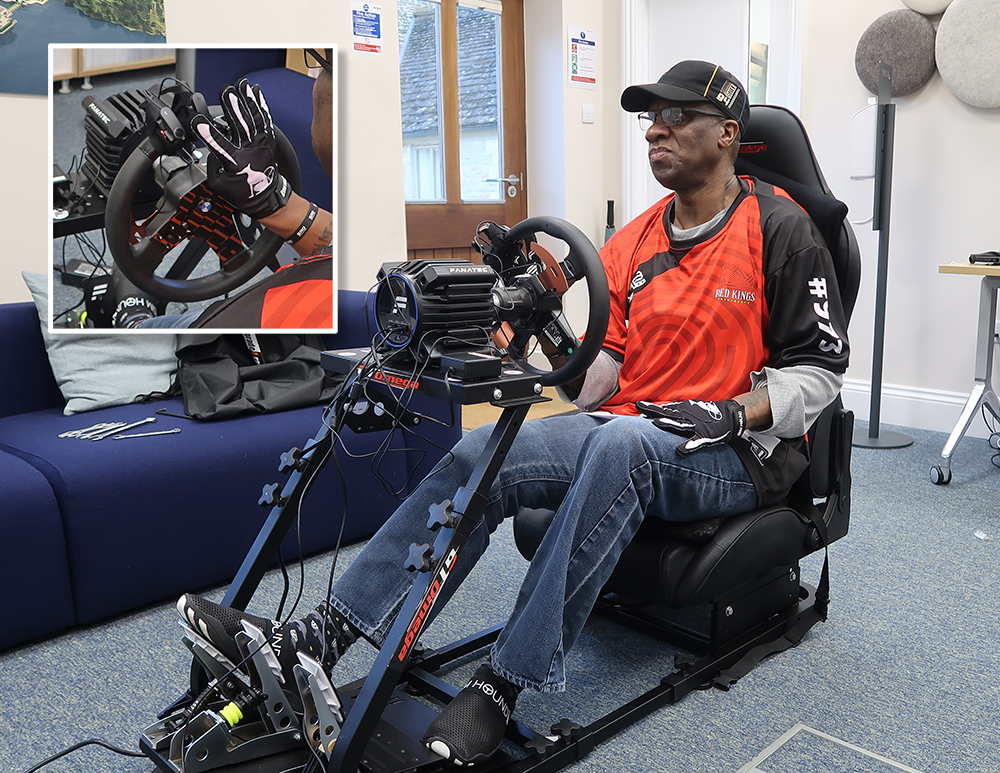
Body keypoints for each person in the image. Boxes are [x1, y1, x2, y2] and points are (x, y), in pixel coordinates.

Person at [176, 60, 850, 765]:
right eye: (651, 116)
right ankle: (318, 637)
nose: (656, 128)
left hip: (738, 452)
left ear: (728, 134)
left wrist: (732, 412)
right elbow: (602, 374)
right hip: (631, 422)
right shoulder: (635, 240)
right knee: (483, 454)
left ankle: (503, 683)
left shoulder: (782, 230)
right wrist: (538, 339)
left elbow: (820, 372)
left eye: (677, 116)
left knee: (622, 447)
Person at [116, 51, 335, 329]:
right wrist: (278, 205)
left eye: (325, 67)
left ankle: (133, 321)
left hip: (278, 337)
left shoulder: (265, 313)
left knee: (168, 329)